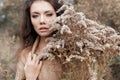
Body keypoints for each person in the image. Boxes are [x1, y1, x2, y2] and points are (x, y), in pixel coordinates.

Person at [15, 0, 64, 80]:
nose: (42, 21)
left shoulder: (72, 52)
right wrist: (30, 78)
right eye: (35, 16)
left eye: (48, 14)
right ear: (30, 20)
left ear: (58, 16)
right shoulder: (26, 55)